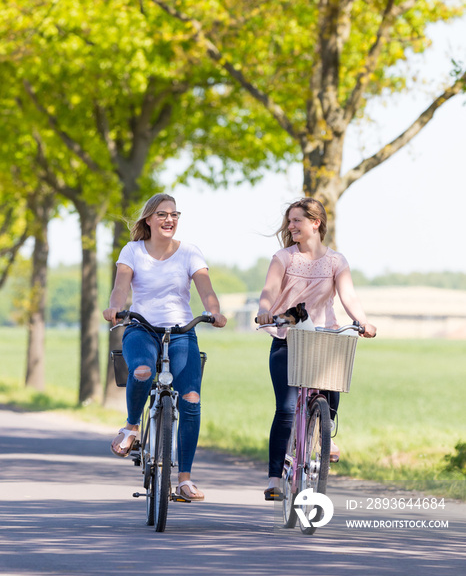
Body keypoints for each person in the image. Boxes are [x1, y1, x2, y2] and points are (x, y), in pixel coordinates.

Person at [103, 193, 227, 501]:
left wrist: (216, 311)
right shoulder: (132, 251)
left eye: (173, 214)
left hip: (181, 331)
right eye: (161, 214)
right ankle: (132, 427)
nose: (168, 219)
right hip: (141, 327)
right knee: (143, 371)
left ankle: (184, 478)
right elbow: (120, 288)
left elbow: (206, 291)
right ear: (148, 219)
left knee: (191, 398)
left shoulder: (189, 253)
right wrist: (115, 308)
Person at [256, 197, 376, 501]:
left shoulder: (336, 261)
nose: (291, 226)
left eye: (297, 220)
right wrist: (265, 310)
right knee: (285, 409)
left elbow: (348, 296)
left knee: (331, 385)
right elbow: (268, 292)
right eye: (290, 221)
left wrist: (362, 321)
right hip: (288, 337)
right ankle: (274, 479)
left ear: (315, 223)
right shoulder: (283, 258)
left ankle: (326, 433)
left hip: (323, 335)